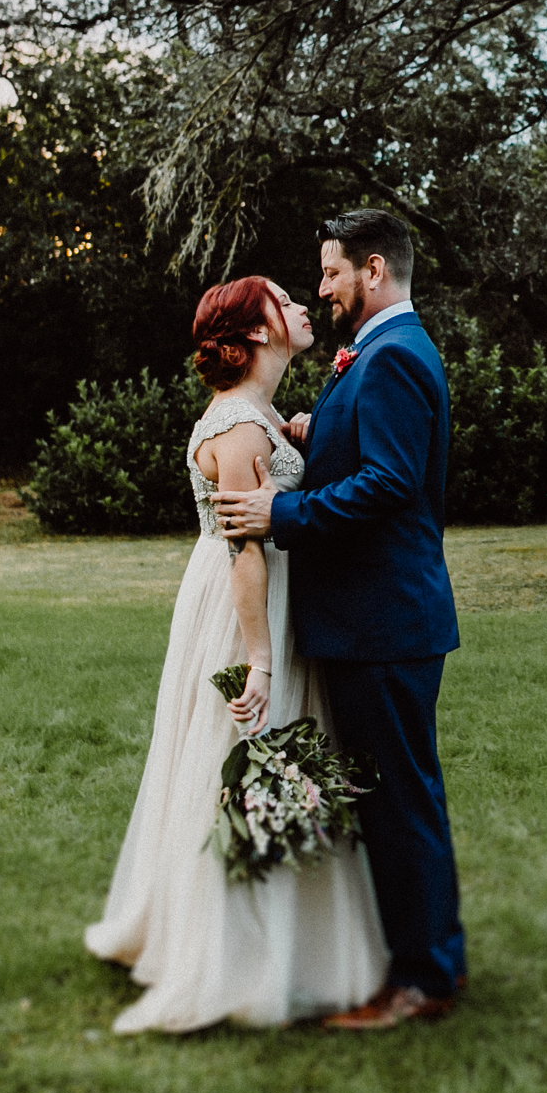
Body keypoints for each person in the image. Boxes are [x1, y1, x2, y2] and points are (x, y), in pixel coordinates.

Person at [83, 277, 389, 1032]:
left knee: (273, 762)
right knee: (246, 757)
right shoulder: (240, 429)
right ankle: (230, 957)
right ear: (255, 334)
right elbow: (246, 551)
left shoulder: (257, 419)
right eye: (283, 303)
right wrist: (260, 660)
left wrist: (302, 440)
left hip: (261, 596)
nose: (300, 308)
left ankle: (292, 946)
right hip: (244, 609)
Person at [215, 208, 466, 1030]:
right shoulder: (385, 352)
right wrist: (319, 433)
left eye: (329, 272)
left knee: (399, 805)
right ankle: (423, 962)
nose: (320, 288)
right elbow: (375, 454)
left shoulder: (390, 355)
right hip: (376, 621)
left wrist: (277, 516)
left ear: (374, 272)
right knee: (395, 800)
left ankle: (424, 979)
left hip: (383, 623)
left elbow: (390, 484)